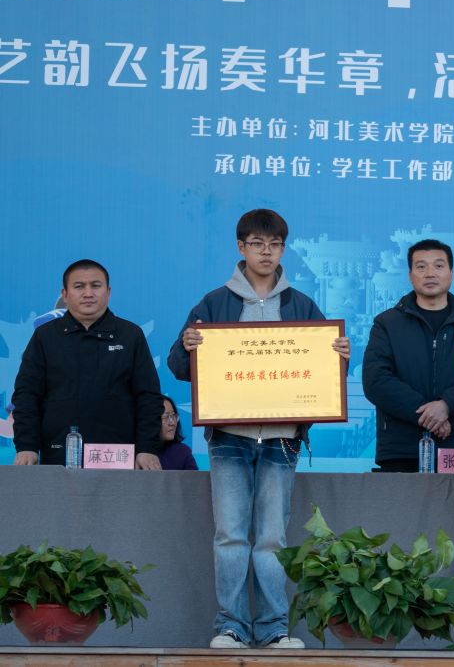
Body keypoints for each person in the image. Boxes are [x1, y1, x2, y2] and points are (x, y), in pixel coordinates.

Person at [167, 209, 350, 650]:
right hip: (229, 437)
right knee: (230, 535)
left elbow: (323, 376)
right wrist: (188, 346)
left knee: (272, 538)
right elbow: (178, 366)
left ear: (283, 249)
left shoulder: (301, 304)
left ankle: (272, 628)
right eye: (256, 244)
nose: (266, 252)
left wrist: (339, 357)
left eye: (274, 244)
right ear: (241, 247)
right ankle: (230, 625)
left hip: (282, 439)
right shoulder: (214, 302)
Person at [12, 259, 163, 469]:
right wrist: (26, 446)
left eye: (95, 285)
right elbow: (27, 394)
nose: (88, 293)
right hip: (59, 454)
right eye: (79, 286)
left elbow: (148, 396)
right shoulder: (45, 336)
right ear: (65, 294)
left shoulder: (130, 335)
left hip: (117, 456)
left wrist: (147, 448)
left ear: (108, 292)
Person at [363, 239, 454, 472]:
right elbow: (375, 380)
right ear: (410, 275)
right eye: (421, 267)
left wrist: (447, 405)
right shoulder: (387, 324)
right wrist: (428, 413)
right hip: (400, 447)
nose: (430, 273)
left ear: (451, 273)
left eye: (439, 266)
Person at [157, 395, 198, 471]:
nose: (172, 423)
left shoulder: (183, 452)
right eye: (166, 417)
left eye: (173, 416)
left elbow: (195, 478)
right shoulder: (137, 452)